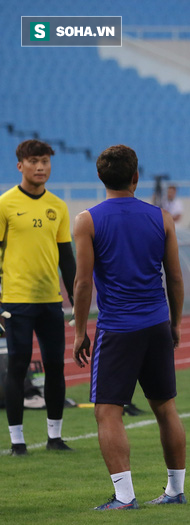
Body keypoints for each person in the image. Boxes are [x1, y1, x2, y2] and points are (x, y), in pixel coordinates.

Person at [72, 145, 187, 510]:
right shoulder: (162, 218)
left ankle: (124, 496)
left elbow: (82, 283)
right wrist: (176, 323)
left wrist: (78, 331)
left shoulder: (87, 220)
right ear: (136, 177)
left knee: (107, 411)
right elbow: (176, 278)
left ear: (100, 177)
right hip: (156, 323)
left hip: (118, 328)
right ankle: (175, 491)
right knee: (165, 408)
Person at [0, 139, 76, 456]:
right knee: (17, 367)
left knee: (55, 367)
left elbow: (67, 260)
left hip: (49, 301)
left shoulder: (58, 207)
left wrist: (77, 303)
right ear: (20, 166)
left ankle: (54, 437)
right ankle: (17, 441)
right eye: (34, 161)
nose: (41, 167)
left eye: (45, 161)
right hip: (15, 300)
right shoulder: (5, 204)